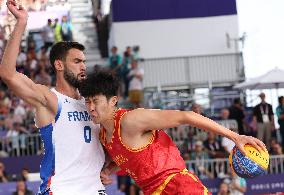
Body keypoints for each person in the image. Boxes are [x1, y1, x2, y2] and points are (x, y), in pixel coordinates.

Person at [78, 70, 266, 195]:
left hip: (179, 187)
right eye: (88, 101)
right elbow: (131, 157)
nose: (91, 107)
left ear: (113, 101)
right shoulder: (104, 134)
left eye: (95, 100)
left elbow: (186, 116)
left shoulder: (132, 120)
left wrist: (235, 137)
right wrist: (109, 169)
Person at [0, 1, 106, 194]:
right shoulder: (50, 99)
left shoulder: (91, 103)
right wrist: (21, 22)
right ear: (59, 65)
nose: (83, 66)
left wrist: (108, 168)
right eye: (76, 61)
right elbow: (8, 73)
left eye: (84, 61)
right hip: (61, 189)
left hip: (95, 189)